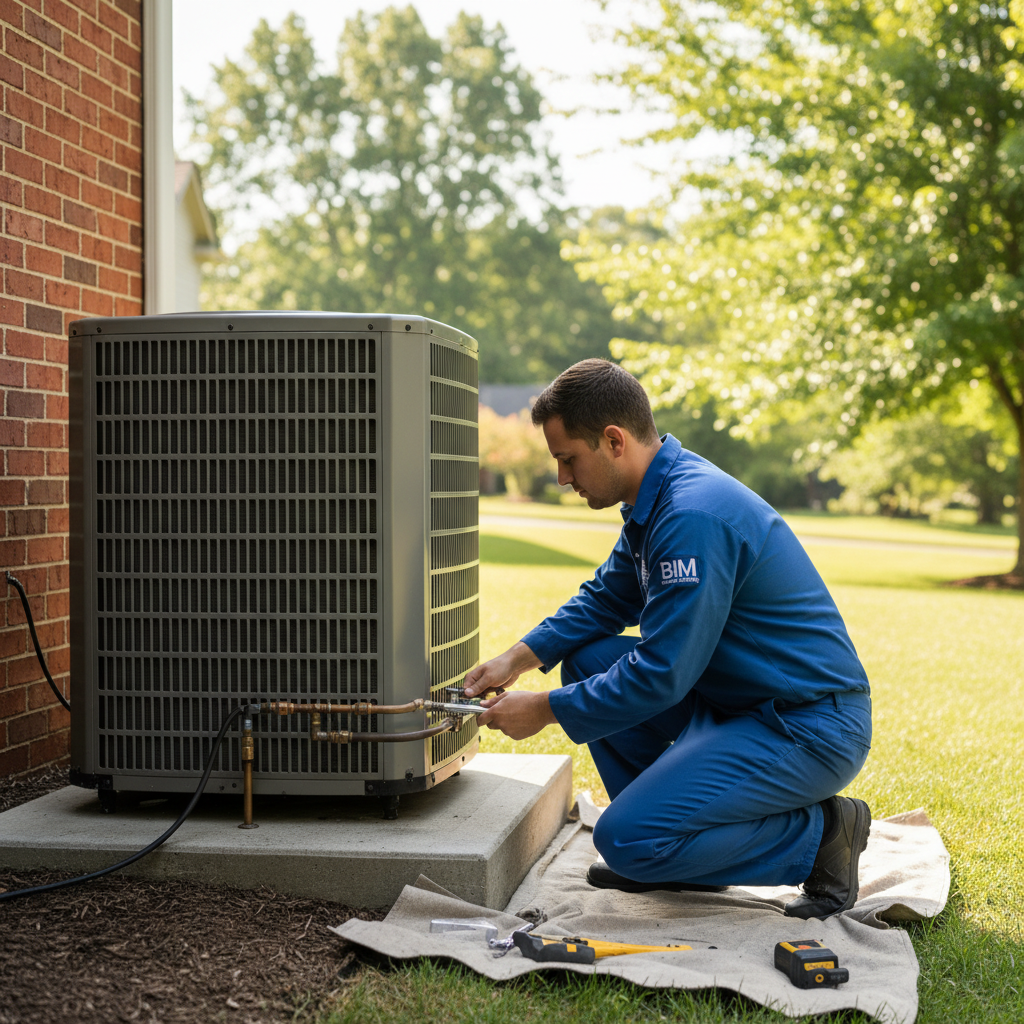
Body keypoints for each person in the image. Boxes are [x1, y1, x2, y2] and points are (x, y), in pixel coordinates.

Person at [465, 358, 873, 919]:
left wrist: (542, 709)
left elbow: (662, 674)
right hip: (736, 702)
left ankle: (824, 835)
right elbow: (608, 597)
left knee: (625, 840)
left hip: (805, 725)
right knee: (585, 661)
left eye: (567, 459)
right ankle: (674, 854)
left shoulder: (691, 514)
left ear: (613, 440)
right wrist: (517, 658)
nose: (562, 477)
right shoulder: (656, 498)